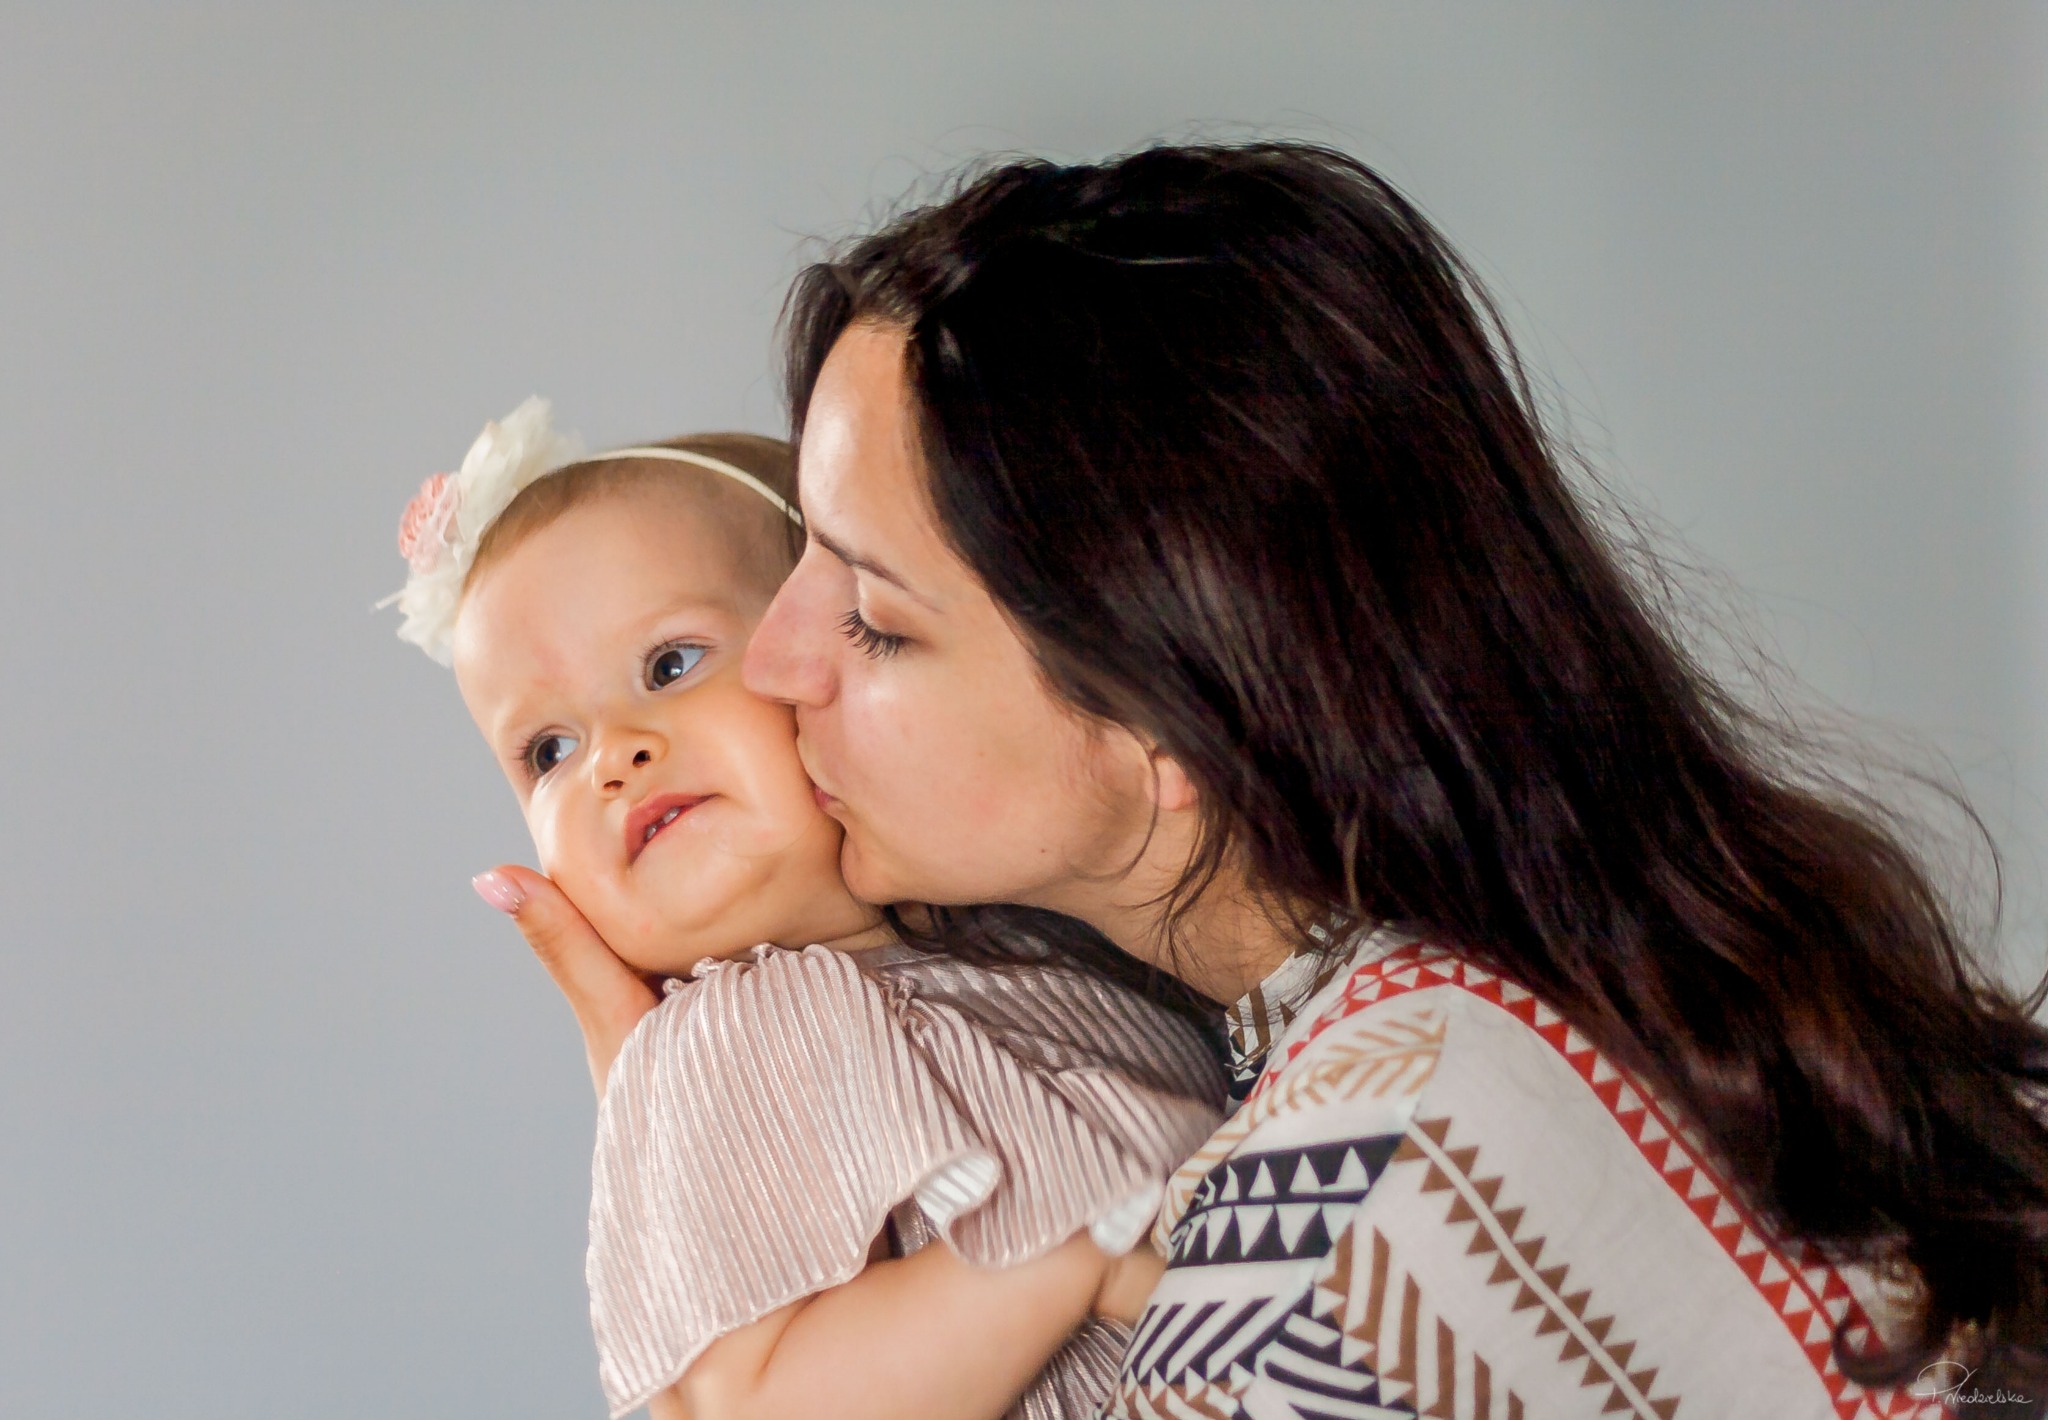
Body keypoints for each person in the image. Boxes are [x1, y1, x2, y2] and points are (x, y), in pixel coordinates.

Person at [504, 144, 2048, 1418]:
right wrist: (722, 1158)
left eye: (871, 613)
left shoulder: (1325, 1243)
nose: (773, 665)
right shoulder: (1500, 1001)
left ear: (1166, 724)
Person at [386, 400, 1226, 1420]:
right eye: (547, 751)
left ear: (820, 659)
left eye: (668, 663)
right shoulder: (731, 1035)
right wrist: (1070, 1251)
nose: (612, 753)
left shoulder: (1028, 939)